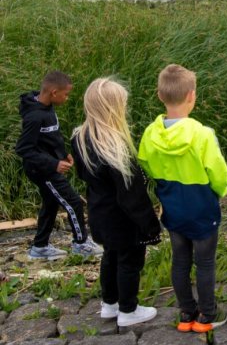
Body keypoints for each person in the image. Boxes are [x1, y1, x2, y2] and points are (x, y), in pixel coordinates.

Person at [138, 64, 227, 333]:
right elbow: (218, 172)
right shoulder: (202, 134)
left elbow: (146, 165)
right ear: (192, 96)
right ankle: (207, 315)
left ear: (159, 95)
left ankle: (186, 312)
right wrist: (219, 192)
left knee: (179, 260)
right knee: (205, 263)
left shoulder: (151, 134)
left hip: (172, 207)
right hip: (201, 206)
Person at [72, 78, 161, 327]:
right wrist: (149, 225)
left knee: (110, 257)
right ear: (114, 109)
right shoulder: (116, 148)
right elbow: (131, 195)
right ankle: (128, 310)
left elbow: (82, 175)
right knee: (129, 262)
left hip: (99, 213)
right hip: (122, 218)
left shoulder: (80, 139)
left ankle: (109, 304)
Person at [15, 71, 102, 260]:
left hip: (48, 166)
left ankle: (40, 247)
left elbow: (49, 138)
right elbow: (23, 149)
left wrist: (63, 154)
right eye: (65, 94)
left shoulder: (48, 108)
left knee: (51, 203)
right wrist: (54, 163)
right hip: (42, 170)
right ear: (54, 92)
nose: (67, 97)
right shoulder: (35, 117)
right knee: (73, 202)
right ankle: (81, 243)